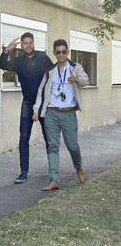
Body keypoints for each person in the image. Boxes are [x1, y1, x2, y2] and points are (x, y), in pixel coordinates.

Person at [33, 39, 89, 191]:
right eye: (58, 52)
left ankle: (78, 167)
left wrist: (76, 80)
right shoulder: (50, 71)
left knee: (72, 145)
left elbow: (86, 80)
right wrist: (36, 110)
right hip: (51, 113)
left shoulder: (75, 67)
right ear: (54, 53)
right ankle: (54, 179)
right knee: (52, 146)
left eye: (64, 52)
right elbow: (41, 91)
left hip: (68, 113)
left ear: (67, 52)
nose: (61, 55)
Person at [0, 32, 54, 183]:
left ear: (34, 43)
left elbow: (54, 75)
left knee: (48, 137)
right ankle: (24, 172)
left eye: (30, 42)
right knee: (23, 137)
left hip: (44, 104)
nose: (28, 45)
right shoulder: (18, 61)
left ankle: (53, 170)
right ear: (21, 45)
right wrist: (6, 51)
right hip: (28, 103)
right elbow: (2, 65)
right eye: (25, 43)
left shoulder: (43, 58)